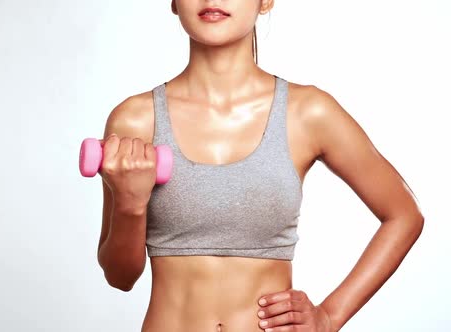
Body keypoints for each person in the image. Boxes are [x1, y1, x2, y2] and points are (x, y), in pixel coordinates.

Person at [96, 1, 424, 331]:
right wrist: (130, 205)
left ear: (265, 1)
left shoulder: (308, 112)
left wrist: (329, 316)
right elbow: (120, 277)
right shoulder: (135, 120)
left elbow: (404, 215)